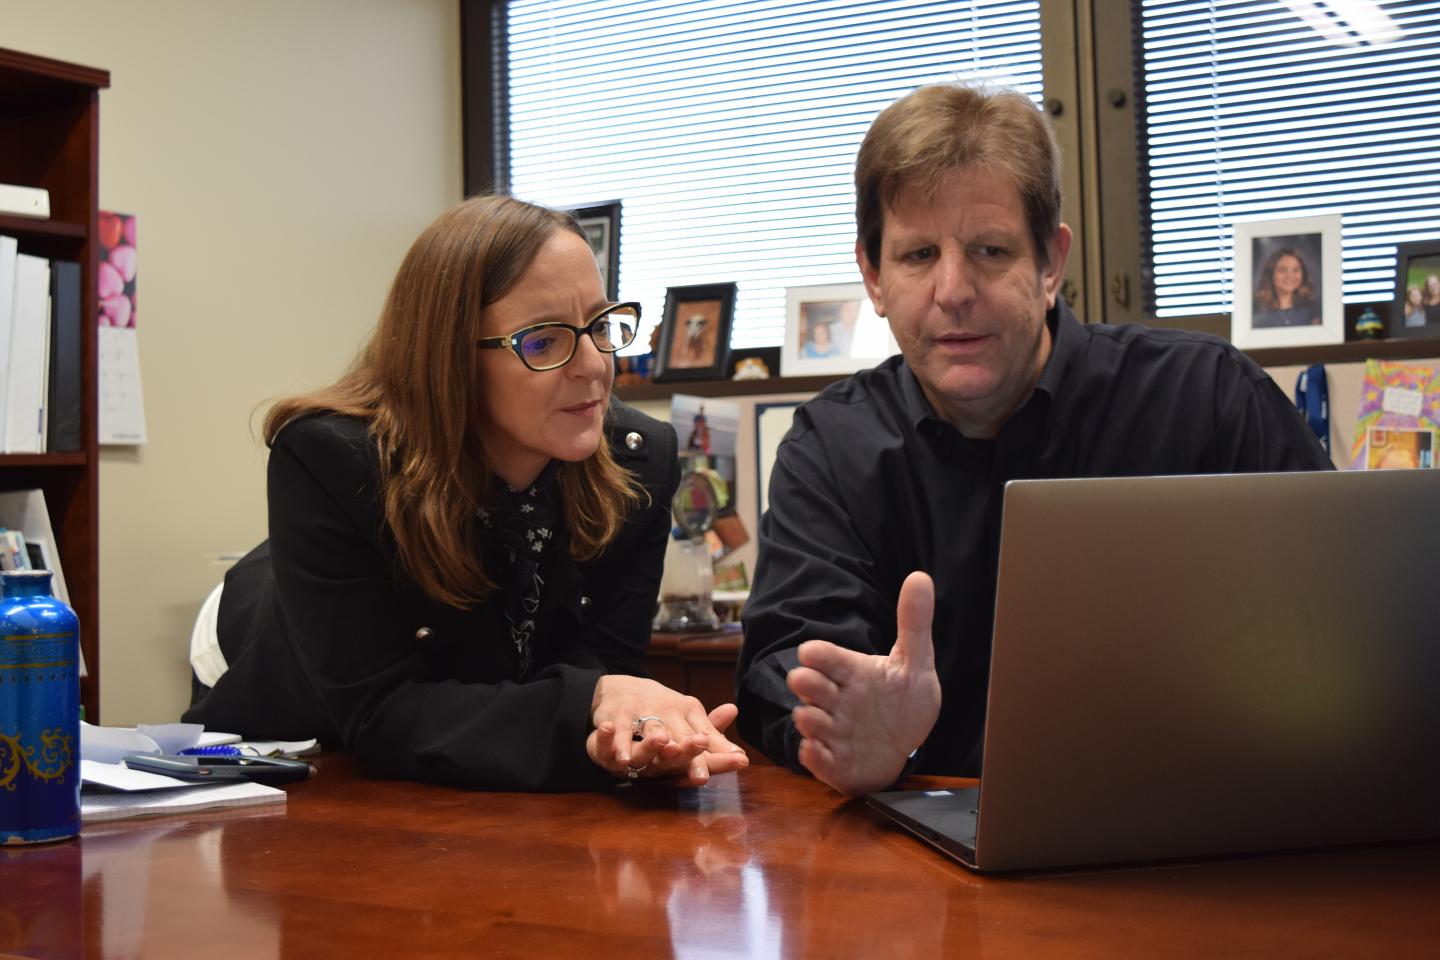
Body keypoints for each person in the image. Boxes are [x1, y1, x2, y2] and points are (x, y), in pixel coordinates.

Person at [735, 83, 1334, 796]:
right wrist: (843, 726)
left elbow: (1343, 621)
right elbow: (784, 658)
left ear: (1051, 263)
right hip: (917, 834)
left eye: (990, 250)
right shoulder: (829, 449)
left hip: (1204, 819)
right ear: (874, 277)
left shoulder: (1209, 398)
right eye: (918, 254)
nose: (953, 290)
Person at [185, 195, 747, 791]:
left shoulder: (640, 460)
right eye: (544, 341)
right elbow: (380, 712)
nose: (593, 366)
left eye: (601, 326)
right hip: (281, 676)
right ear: (450, 356)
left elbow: (605, 668)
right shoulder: (330, 458)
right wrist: (589, 702)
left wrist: (624, 732)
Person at [1252, 247, 1320, 328]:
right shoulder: (1255, 311)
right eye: (1283, 270)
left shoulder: (1314, 311)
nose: (1290, 276)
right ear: (1270, 274)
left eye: (1296, 270)